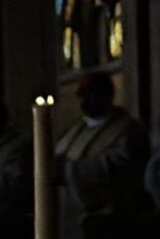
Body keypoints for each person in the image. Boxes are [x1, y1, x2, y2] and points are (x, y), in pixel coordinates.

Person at [55, 72, 149, 213]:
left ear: (106, 95)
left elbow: (123, 165)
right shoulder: (76, 129)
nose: (84, 100)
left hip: (109, 214)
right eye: (81, 95)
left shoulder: (128, 129)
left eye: (90, 94)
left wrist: (71, 169)